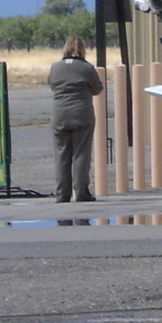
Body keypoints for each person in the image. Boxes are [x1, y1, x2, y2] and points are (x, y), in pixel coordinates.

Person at [48, 36, 105, 203]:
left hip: (59, 114)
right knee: (81, 153)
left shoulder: (55, 68)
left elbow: (52, 85)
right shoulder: (87, 68)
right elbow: (97, 89)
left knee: (61, 154)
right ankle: (81, 192)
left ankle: (62, 194)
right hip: (82, 113)